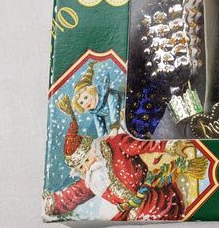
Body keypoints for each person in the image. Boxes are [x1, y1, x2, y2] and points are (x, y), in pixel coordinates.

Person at [44, 96, 201, 220]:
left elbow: (142, 145)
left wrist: (169, 146)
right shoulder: (92, 179)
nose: (87, 168)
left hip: (153, 198)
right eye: (81, 168)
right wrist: (53, 203)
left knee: (152, 216)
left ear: (93, 149)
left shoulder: (115, 144)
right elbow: (74, 194)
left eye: (87, 160)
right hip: (130, 211)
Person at [71, 62, 123, 138]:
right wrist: (103, 138)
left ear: (92, 91)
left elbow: (114, 108)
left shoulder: (108, 95)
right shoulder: (94, 111)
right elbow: (100, 125)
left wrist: (115, 127)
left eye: (86, 97)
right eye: (81, 102)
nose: (85, 103)